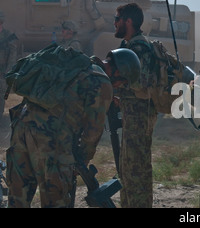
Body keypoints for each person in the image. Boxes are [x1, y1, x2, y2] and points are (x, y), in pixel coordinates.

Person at [5, 45, 140, 208]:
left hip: (22, 126)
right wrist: (82, 159)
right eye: (122, 83)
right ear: (119, 72)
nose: (118, 87)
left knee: (17, 199)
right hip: (52, 139)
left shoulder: (79, 64)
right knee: (56, 200)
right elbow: (93, 131)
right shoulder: (102, 82)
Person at [113, 3, 182, 208]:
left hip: (140, 114)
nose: (114, 24)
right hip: (133, 113)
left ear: (128, 21)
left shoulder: (139, 47)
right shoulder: (131, 46)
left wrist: (119, 85)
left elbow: (142, 84)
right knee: (128, 167)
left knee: (137, 169)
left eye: (117, 19)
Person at [0, 10, 18, 120]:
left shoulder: (8, 36)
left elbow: (12, 55)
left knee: (1, 96)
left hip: (2, 71)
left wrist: (8, 71)